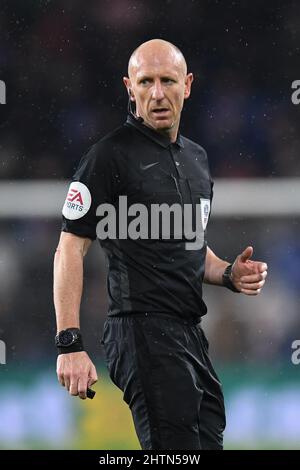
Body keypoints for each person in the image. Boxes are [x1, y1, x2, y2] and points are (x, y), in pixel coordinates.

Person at [53, 39, 268, 450]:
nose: (156, 93)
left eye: (167, 80)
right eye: (145, 82)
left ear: (187, 85)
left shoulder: (197, 160)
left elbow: (186, 247)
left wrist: (226, 272)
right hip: (140, 330)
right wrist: (70, 344)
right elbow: (68, 250)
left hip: (188, 333)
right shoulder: (106, 158)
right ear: (128, 88)